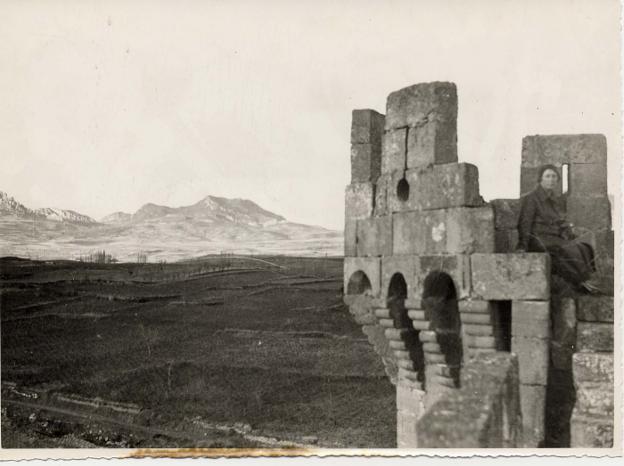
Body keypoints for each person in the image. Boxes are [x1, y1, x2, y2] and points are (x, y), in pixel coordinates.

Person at [516, 164, 600, 294]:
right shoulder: (531, 198)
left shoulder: (555, 200)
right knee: (566, 249)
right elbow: (525, 223)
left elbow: (560, 221)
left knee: (583, 246)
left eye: (554, 176)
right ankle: (582, 281)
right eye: (547, 176)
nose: (551, 180)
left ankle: (586, 280)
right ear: (541, 179)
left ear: (557, 180)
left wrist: (568, 232)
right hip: (539, 239)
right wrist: (522, 245)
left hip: (554, 237)